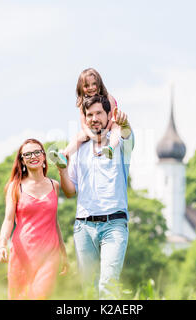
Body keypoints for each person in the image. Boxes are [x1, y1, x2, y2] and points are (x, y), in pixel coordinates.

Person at [58, 94, 134, 299]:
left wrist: (124, 123)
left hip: (114, 224)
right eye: (89, 114)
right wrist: (62, 171)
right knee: (88, 291)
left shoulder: (120, 145)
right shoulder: (78, 149)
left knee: (108, 285)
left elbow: (126, 132)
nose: (94, 118)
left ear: (109, 115)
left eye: (99, 113)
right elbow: (69, 191)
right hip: (84, 226)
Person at [0, 138, 69, 300]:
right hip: (22, 252)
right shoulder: (15, 187)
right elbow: (8, 220)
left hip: (50, 252)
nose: (33, 156)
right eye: (27, 154)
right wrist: (2, 244)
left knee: (41, 295)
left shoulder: (54, 185)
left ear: (44, 157)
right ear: (22, 160)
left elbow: (54, 221)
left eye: (37, 152)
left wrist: (63, 251)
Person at [48, 68, 121, 168]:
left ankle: (111, 148)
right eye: (87, 86)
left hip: (111, 123)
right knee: (80, 136)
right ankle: (65, 155)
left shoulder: (108, 98)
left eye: (94, 84)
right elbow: (84, 124)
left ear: (99, 84)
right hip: (94, 127)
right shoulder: (83, 102)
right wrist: (92, 136)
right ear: (81, 87)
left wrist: (104, 133)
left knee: (116, 129)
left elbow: (112, 117)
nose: (91, 88)